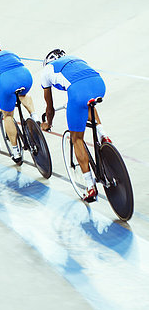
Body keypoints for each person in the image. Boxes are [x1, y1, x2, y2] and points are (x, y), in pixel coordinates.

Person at [40, 49, 111, 202]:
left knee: (76, 139)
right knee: (89, 103)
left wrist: (48, 123)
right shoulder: (75, 58)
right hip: (99, 85)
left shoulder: (46, 70)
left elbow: (49, 106)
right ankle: (103, 135)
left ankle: (90, 185)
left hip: (78, 92)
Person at [0, 37, 37, 165]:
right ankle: (34, 116)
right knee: (23, 93)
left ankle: (15, 151)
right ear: (0, 48)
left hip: (7, 81)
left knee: (8, 115)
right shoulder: (11, 53)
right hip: (26, 76)